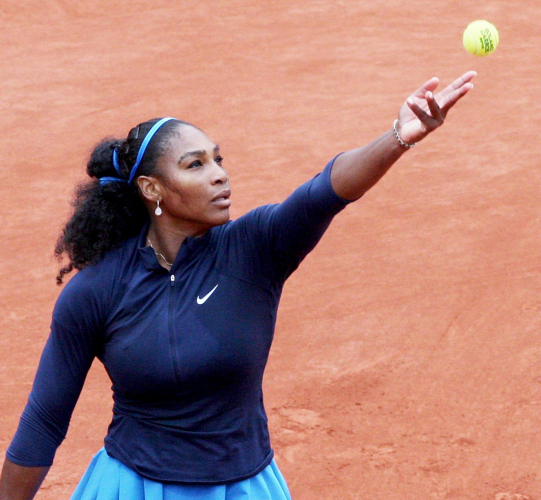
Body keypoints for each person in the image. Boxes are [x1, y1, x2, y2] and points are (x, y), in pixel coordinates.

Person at [0, 71, 476, 500]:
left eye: (218, 159)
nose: (220, 174)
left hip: (243, 487)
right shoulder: (96, 291)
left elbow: (323, 193)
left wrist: (399, 137)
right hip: (133, 487)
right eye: (195, 165)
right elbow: (44, 420)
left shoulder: (255, 249)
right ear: (151, 190)